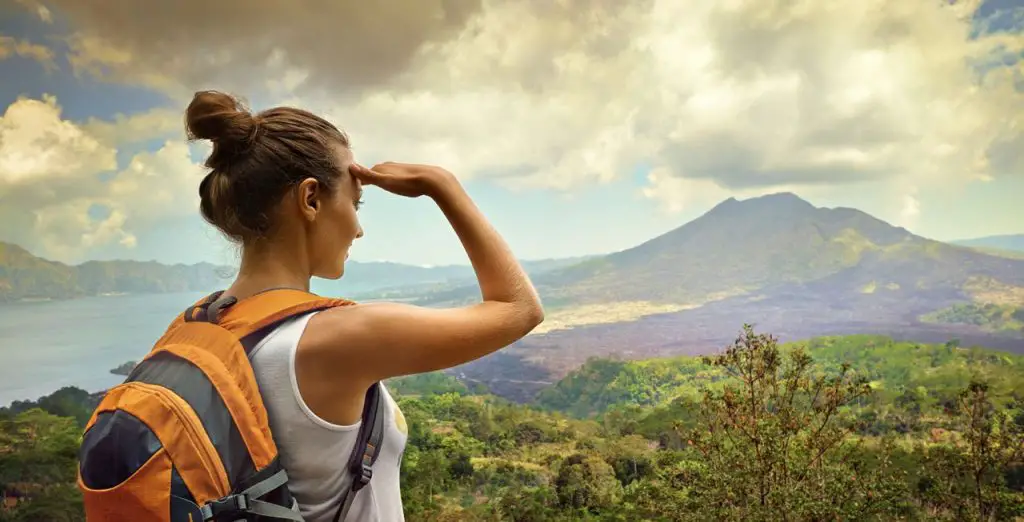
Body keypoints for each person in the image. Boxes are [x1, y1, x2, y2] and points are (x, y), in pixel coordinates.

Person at [183, 90, 545, 521]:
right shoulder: (334, 336)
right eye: (355, 204)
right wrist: (442, 185)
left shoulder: (202, 324)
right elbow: (520, 308)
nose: (358, 229)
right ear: (311, 199)